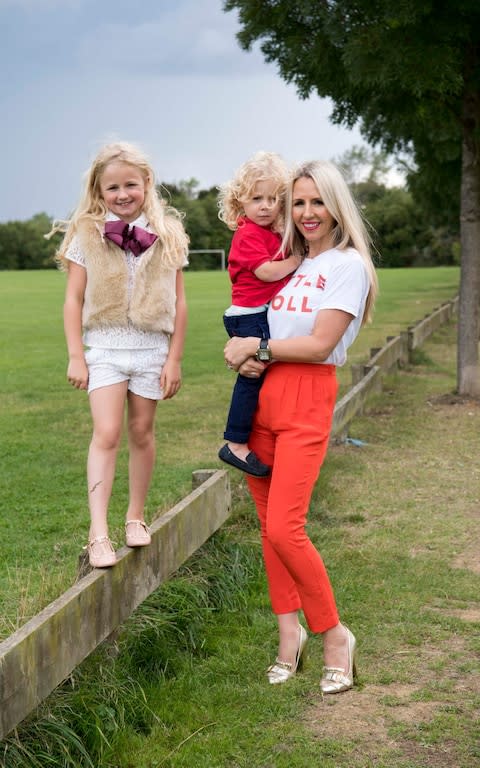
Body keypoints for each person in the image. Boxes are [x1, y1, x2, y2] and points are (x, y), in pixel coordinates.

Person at [224, 160, 378, 693]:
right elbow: (250, 311)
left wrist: (255, 346)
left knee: (288, 527)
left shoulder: (347, 265)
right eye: (299, 202)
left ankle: (335, 634)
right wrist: (246, 355)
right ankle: (288, 634)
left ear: (337, 208)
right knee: (269, 530)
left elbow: (317, 345)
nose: (308, 213)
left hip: (307, 398)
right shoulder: (289, 263)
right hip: (262, 397)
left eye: (318, 202)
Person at [50, 141, 189, 569]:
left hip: (151, 350)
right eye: (113, 187)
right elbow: (73, 299)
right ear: (99, 190)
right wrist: (77, 355)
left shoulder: (168, 234)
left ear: (147, 183)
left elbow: (179, 303)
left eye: (131, 184)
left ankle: (135, 517)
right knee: (107, 433)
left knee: (142, 432)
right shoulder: (86, 234)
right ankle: (98, 534)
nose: (123, 194)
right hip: (106, 349)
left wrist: (174, 359)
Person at [217, 151, 300, 477]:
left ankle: (257, 432)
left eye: (273, 199)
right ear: (241, 203)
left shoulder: (270, 233)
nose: (265, 206)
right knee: (252, 374)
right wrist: (296, 262)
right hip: (248, 315)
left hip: (257, 312)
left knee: (263, 371)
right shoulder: (248, 234)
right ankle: (235, 443)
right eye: (256, 198)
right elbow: (265, 272)